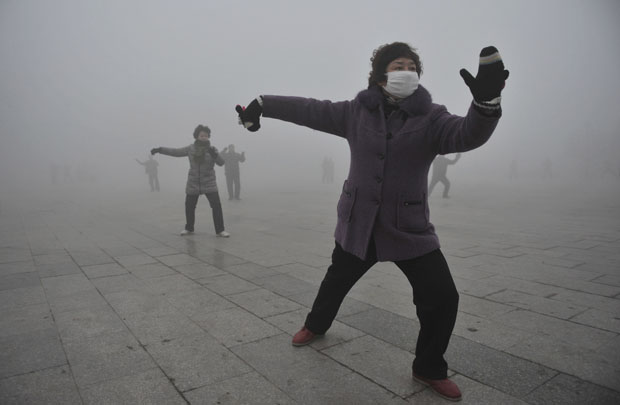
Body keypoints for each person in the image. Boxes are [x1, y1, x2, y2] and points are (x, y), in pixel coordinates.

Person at [236, 42, 508, 401]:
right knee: (336, 280)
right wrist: (264, 103)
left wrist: (486, 104)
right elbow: (310, 109)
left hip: (408, 226)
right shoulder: (355, 113)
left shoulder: (432, 117)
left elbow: (467, 134)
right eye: (398, 65)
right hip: (358, 222)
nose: (406, 70)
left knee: (442, 296)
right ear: (381, 75)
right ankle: (315, 325)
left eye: (412, 66)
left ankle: (428, 367)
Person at [151, 125, 230, 237]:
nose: (204, 137)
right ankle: (189, 228)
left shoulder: (212, 149)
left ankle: (220, 230)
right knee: (189, 206)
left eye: (206, 136)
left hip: (209, 182)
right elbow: (176, 152)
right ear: (197, 136)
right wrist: (160, 150)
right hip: (193, 182)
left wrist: (215, 155)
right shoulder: (190, 148)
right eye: (202, 135)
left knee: (216, 206)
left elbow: (221, 163)